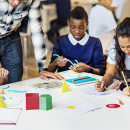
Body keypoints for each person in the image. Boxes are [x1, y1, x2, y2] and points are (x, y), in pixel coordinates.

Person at [0, 0, 64, 83]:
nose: (16, 2)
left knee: (15, 82)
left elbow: (37, 31)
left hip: (11, 35)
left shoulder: (33, 1)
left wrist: (42, 69)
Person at [48, 6, 106, 76]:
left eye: (81, 28)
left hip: (87, 81)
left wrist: (88, 69)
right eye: (73, 27)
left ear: (87, 24)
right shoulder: (60, 41)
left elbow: (101, 71)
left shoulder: (95, 42)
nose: (77, 31)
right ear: (68, 23)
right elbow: (50, 70)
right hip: (64, 83)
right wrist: (55, 63)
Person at [94, 17, 130, 96]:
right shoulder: (115, 44)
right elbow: (110, 73)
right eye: (122, 47)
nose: (127, 51)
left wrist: (127, 82)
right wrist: (104, 83)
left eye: (129, 46)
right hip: (122, 78)